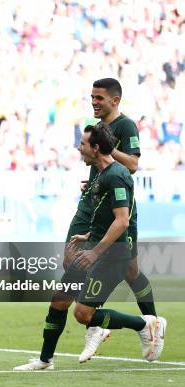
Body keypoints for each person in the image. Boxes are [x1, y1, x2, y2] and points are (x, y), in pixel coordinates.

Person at [14, 78, 157, 370]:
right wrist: (94, 181)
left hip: (114, 222)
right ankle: (53, 353)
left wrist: (103, 149)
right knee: (68, 275)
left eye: (99, 98)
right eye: (91, 96)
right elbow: (104, 171)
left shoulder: (124, 129)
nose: (94, 102)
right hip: (94, 211)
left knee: (128, 271)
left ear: (115, 100)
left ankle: (147, 324)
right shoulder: (101, 162)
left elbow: (131, 166)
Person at [69, 125, 165, 359]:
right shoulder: (103, 175)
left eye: (83, 144)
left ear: (96, 147)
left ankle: (145, 325)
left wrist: (95, 252)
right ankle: (146, 324)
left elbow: (122, 221)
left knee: (82, 313)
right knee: (82, 312)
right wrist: (89, 236)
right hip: (106, 251)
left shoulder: (117, 175)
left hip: (113, 254)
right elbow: (107, 216)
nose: (79, 148)